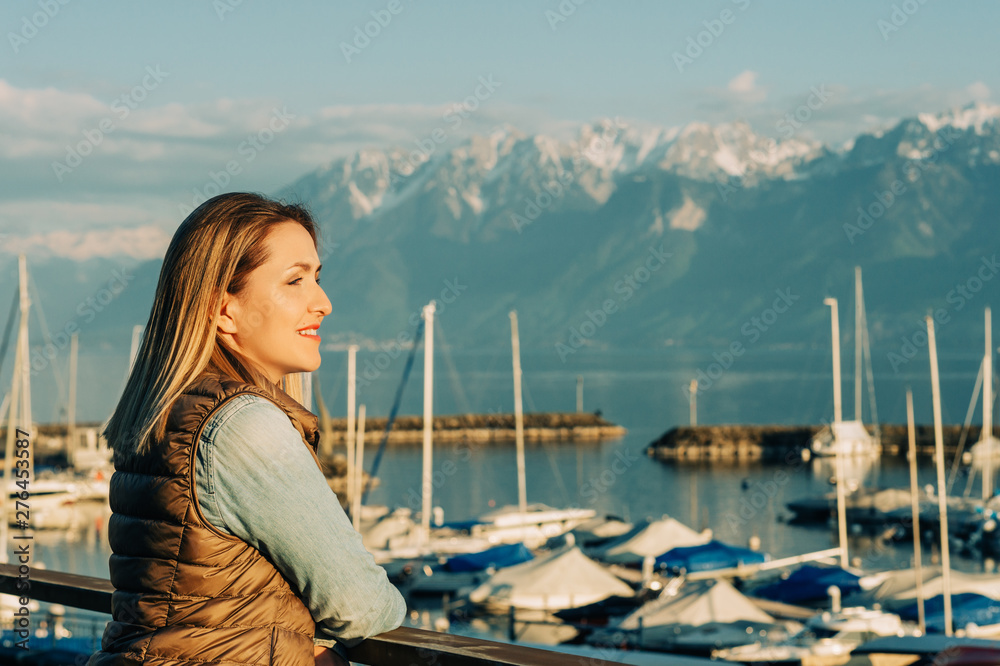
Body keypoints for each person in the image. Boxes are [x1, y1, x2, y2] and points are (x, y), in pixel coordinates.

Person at [89, 192, 406, 666]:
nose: (323, 303)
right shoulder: (243, 426)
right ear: (223, 310)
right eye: (295, 280)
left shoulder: (168, 414)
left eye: (317, 278)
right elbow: (363, 609)